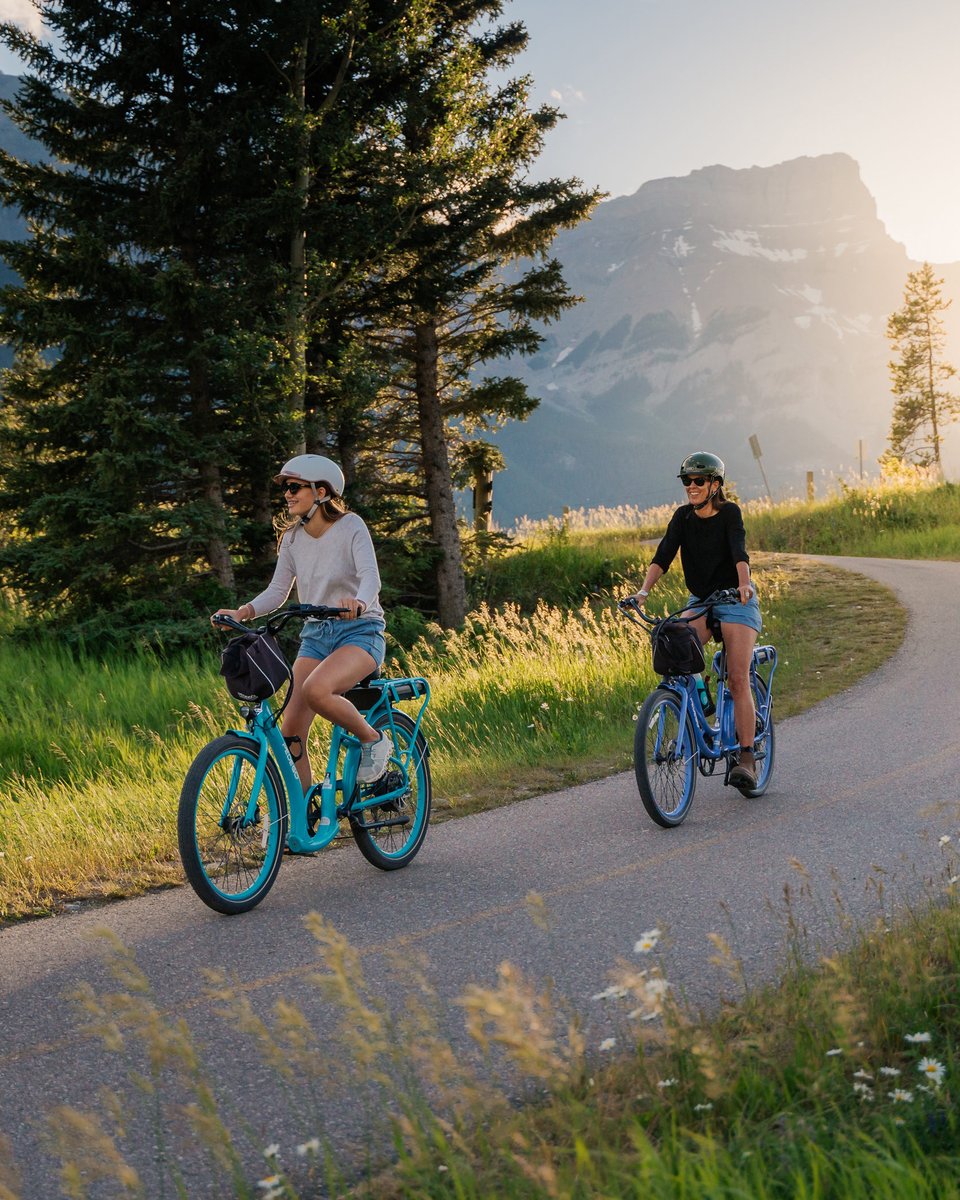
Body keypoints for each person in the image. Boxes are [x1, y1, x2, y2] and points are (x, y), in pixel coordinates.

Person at [212, 453, 391, 790]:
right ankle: (300, 819)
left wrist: (359, 602)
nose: (287, 494)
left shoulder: (351, 526)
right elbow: (278, 590)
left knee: (316, 690)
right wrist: (243, 612)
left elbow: (370, 577)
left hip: (360, 632)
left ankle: (373, 739)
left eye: (294, 486)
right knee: (290, 731)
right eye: (286, 488)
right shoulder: (292, 539)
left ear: (321, 492)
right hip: (315, 637)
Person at [630, 451, 762, 789]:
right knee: (675, 642)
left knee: (736, 679)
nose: (691, 486)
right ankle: (701, 700)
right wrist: (643, 592)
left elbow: (738, 550)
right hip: (701, 601)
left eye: (698, 481)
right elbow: (663, 555)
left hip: (735, 600)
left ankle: (746, 757)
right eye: (687, 481)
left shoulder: (729, 513)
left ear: (715, 485)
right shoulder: (682, 518)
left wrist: (744, 583)